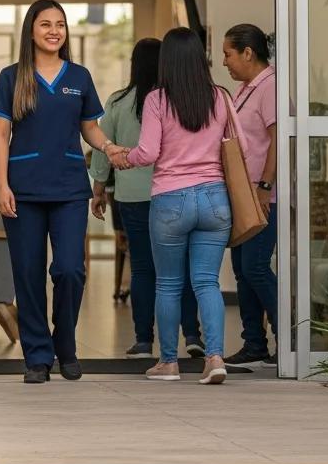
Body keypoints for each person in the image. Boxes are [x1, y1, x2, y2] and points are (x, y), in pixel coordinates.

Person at [0, 0, 121, 384]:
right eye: (45, 24)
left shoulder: (79, 77)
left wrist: (108, 147)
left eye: (60, 24)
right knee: (27, 275)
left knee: (70, 270)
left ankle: (65, 345)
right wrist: (2, 184)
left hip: (68, 189)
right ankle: (38, 358)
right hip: (23, 190)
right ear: (31, 30)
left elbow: (89, 128)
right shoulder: (11, 78)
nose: (53, 31)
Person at [117, 26, 246, 384]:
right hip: (214, 199)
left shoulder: (158, 99)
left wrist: (122, 157)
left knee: (169, 284)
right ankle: (215, 358)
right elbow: (240, 148)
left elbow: (148, 153)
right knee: (206, 282)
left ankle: (169, 363)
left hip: (171, 199)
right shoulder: (220, 97)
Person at [90, 38, 204, 359]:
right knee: (180, 267)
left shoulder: (117, 101)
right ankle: (192, 335)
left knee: (142, 268)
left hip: (132, 196)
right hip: (173, 194)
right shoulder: (177, 101)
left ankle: (143, 341)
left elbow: (103, 148)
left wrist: (98, 189)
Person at [221, 24, 278, 368]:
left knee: (255, 265)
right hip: (243, 192)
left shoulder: (270, 87)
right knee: (242, 267)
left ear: (248, 53)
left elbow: (277, 140)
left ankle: (289, 337)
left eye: (228, 54)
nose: (225, 62)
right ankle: (254, 342)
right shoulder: (244, 89)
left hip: (262, 193)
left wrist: (265, 187)